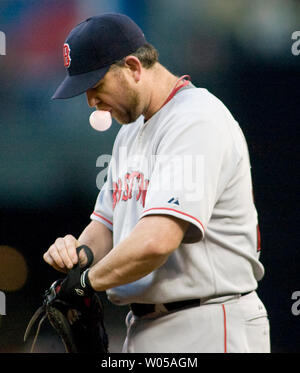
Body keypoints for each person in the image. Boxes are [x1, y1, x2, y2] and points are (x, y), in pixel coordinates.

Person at [44, 13, 271, 353]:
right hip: (145, 326)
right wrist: (79, 256)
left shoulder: (195, 119)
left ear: (134, 67)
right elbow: (105, 225)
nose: (91, 101)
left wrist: (86, 284)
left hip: (209, 321)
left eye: (96, 85)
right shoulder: (130, 132)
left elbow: (157, 241)